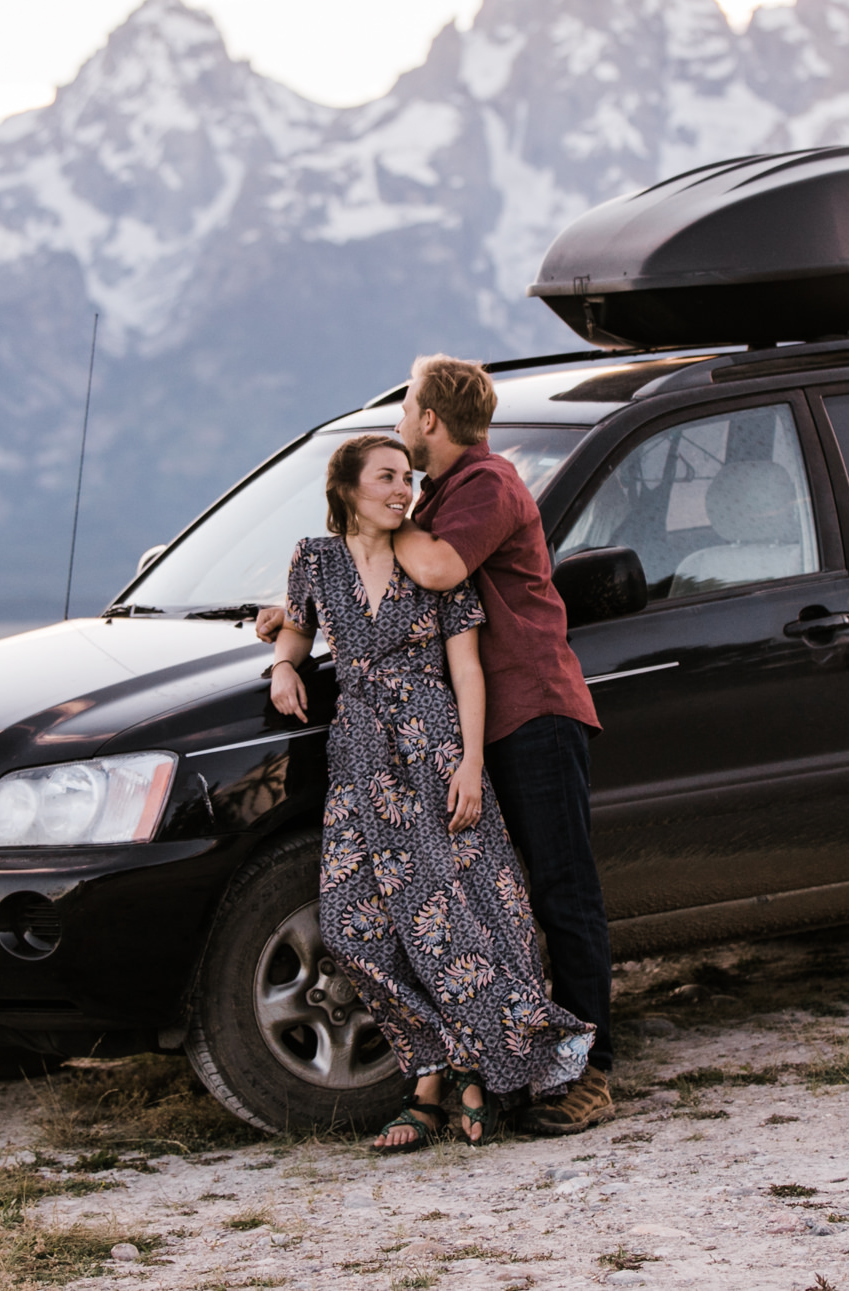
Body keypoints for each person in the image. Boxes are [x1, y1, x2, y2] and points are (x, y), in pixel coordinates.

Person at [269, 432, 591, 1151]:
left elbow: (468, 670)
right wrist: (284, 667)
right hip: (358, 757)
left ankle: (447, 1087)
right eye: (385, 477)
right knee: (356, 926)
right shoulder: (313, 559)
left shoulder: (436, 567)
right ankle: (444, 1060)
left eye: (408, 477)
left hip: (432, 748)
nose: (402, 489)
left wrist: (472, 762)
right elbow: (294, 629)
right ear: (346, 487)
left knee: (448, 920)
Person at [393, 353, 615, 1136]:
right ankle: (531, 1061)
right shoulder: (439, 494)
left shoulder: (487, 485)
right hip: (489, 724)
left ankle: (590, 1072)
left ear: (430, 419)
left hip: (533, 712)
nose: (399, 422)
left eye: (406, 408)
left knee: (563, 893)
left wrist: (366, 517)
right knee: (506, 902)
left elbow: (440, 568)